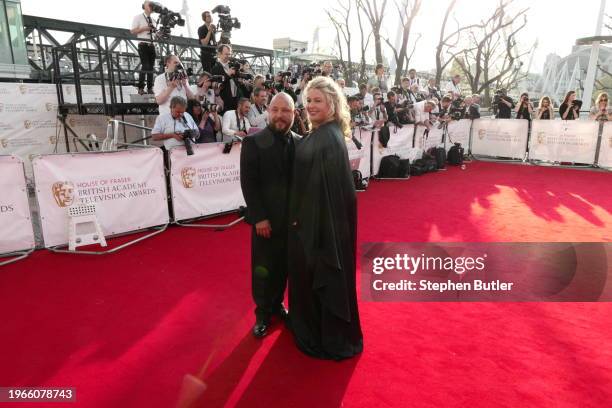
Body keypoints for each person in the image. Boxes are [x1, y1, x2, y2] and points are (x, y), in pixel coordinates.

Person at [287, 76, 363, 360]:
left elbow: (320, 192)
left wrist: (302, 223)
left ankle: (322, 333)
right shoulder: (325, 134)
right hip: (320, 227)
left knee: (318, 281)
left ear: (332, 104)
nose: (311, 106)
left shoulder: (327, 138)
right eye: (308, 100)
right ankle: (317, 326)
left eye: (318, 100)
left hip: (318, 230)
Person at [240, 93, 301, 338]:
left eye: (285, 110)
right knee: (264, 269)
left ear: (294, 114)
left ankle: (277, 305)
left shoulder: (301, 142)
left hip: (292, 223)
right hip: (265, 222)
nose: (279, 115)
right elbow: (249, 184)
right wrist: (259, 218)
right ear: (267, 111)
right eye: (274, 109)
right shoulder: (253, 143)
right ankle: (263, 313)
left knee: (285, 267)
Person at [131, 1, 157, 95]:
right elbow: (132, 31)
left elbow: (154, 34)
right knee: (145, 66)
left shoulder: (154, 20)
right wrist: (144, 28)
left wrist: (157, 33)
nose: (151, 6)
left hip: (152, 45)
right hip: (143, 44)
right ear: (144, 6)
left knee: (151, 68)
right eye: (149, 4)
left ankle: (150, 88)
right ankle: (141, 87)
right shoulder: (138, 17)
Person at [211, 44, 240, 113]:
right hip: (224, 101)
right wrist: (228, 74)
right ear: (219, 54)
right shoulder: (215, 67)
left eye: (229, 54)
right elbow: (217, 84)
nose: (228, 56)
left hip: (235, 100)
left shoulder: (232, 65)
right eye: (226, 54)